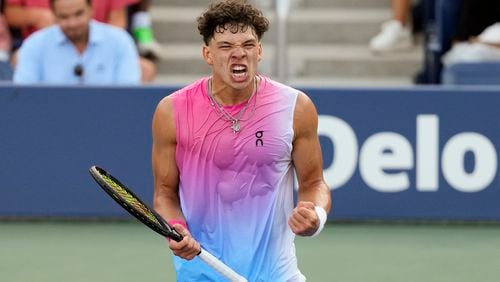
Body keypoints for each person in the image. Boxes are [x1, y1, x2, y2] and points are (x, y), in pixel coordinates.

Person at [151, 0, 331, 281]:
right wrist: (175, 227)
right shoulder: (171, 111)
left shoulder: (296, 107)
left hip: (277, 273)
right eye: (225, 46)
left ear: (259, 51)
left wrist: (315, 216)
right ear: (207, 54)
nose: (239, 54)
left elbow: (314, 184)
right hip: (202, 272)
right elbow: (165, 193)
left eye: (248, 45)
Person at [13, 0, 140, 84]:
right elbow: (24, 95)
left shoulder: (120, 41)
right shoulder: (34, 45)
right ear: (54, 14)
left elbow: (127, 95)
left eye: (78, 14)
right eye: (64, 16)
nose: (72, 23)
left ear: (91, 9)